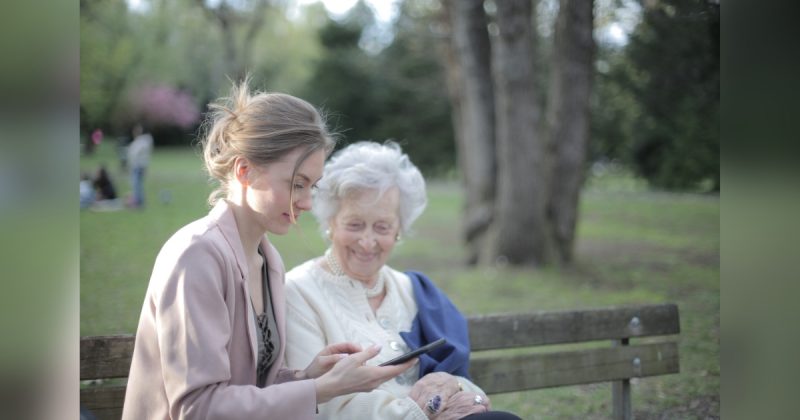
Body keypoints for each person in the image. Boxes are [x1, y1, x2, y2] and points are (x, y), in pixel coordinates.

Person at [121, 80, 416, 420]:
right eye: (296, 184)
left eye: (312, 186)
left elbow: (251, 384)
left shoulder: (268, 260)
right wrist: (320, 390)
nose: (306, 202)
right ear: (245, 171)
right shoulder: (196, 256)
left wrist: (307, 376)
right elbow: (198, 408)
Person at [284, 142, 521, 420]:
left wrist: (454, 386)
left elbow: (463, 382)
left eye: (382, 227)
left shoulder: (414, 291)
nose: (368, 241)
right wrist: (420, 413)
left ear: (399, 230)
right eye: (355, 224)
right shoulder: (298, 291)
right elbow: (321, 404)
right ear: (330, 223)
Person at [126, 123, 153, 208]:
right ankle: (139, 201)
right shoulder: (142, 141)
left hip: (138, 166)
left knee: (136, 184)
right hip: (139, 166)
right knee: (138, 184)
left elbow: (134, 153)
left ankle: (138, 202)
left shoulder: (142, 142)